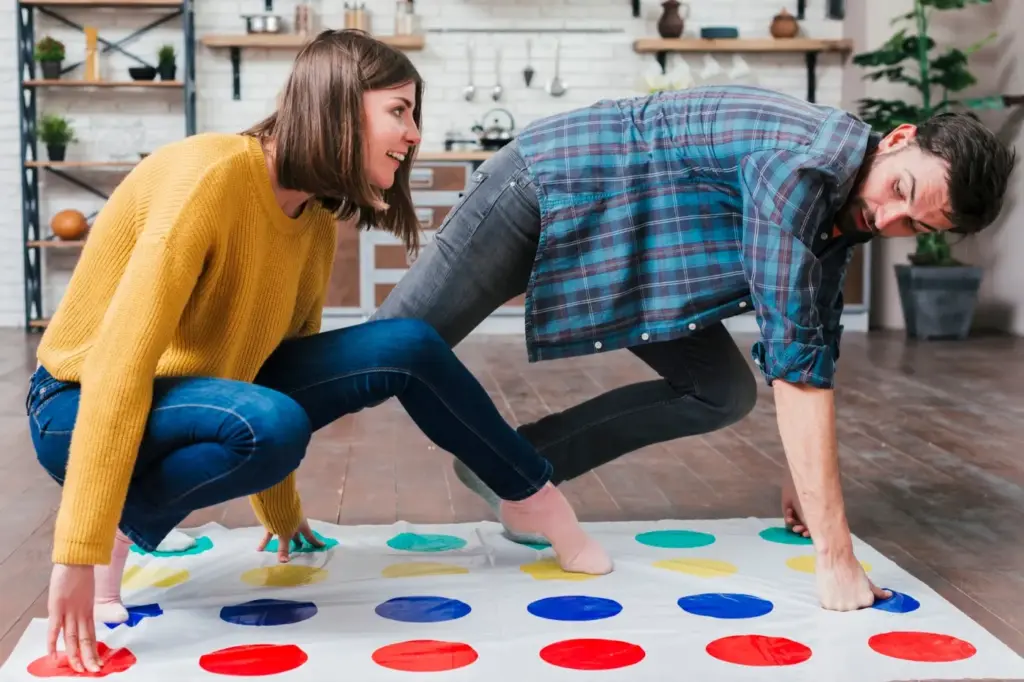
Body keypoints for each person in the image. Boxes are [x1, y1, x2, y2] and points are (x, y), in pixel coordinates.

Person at [25, 29, 611, 675]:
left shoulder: (311, 223)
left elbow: (278, 372)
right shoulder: (207, 178)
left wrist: (282, 516)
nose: (414, 133)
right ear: (337, 104)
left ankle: (531, 496)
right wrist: (76, 551)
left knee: (409, 343)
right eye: (399, 109)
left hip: (200, 399)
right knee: (269, 423)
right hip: (76, 406)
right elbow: (119, 364)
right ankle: (117, 534)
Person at [372, 84, 1016, 611]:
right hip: (543, 191)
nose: (888, 220)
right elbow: (795, 367)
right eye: (901, 193)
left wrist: (801, 477)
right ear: (898, 139)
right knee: (385, 356)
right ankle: (269, 430)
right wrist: (836, 557)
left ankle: (509, 469)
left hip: (629, 246)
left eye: (916, 226)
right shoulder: (801, 164)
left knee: (722, 392)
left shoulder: (851, 205)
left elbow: (814, 339)